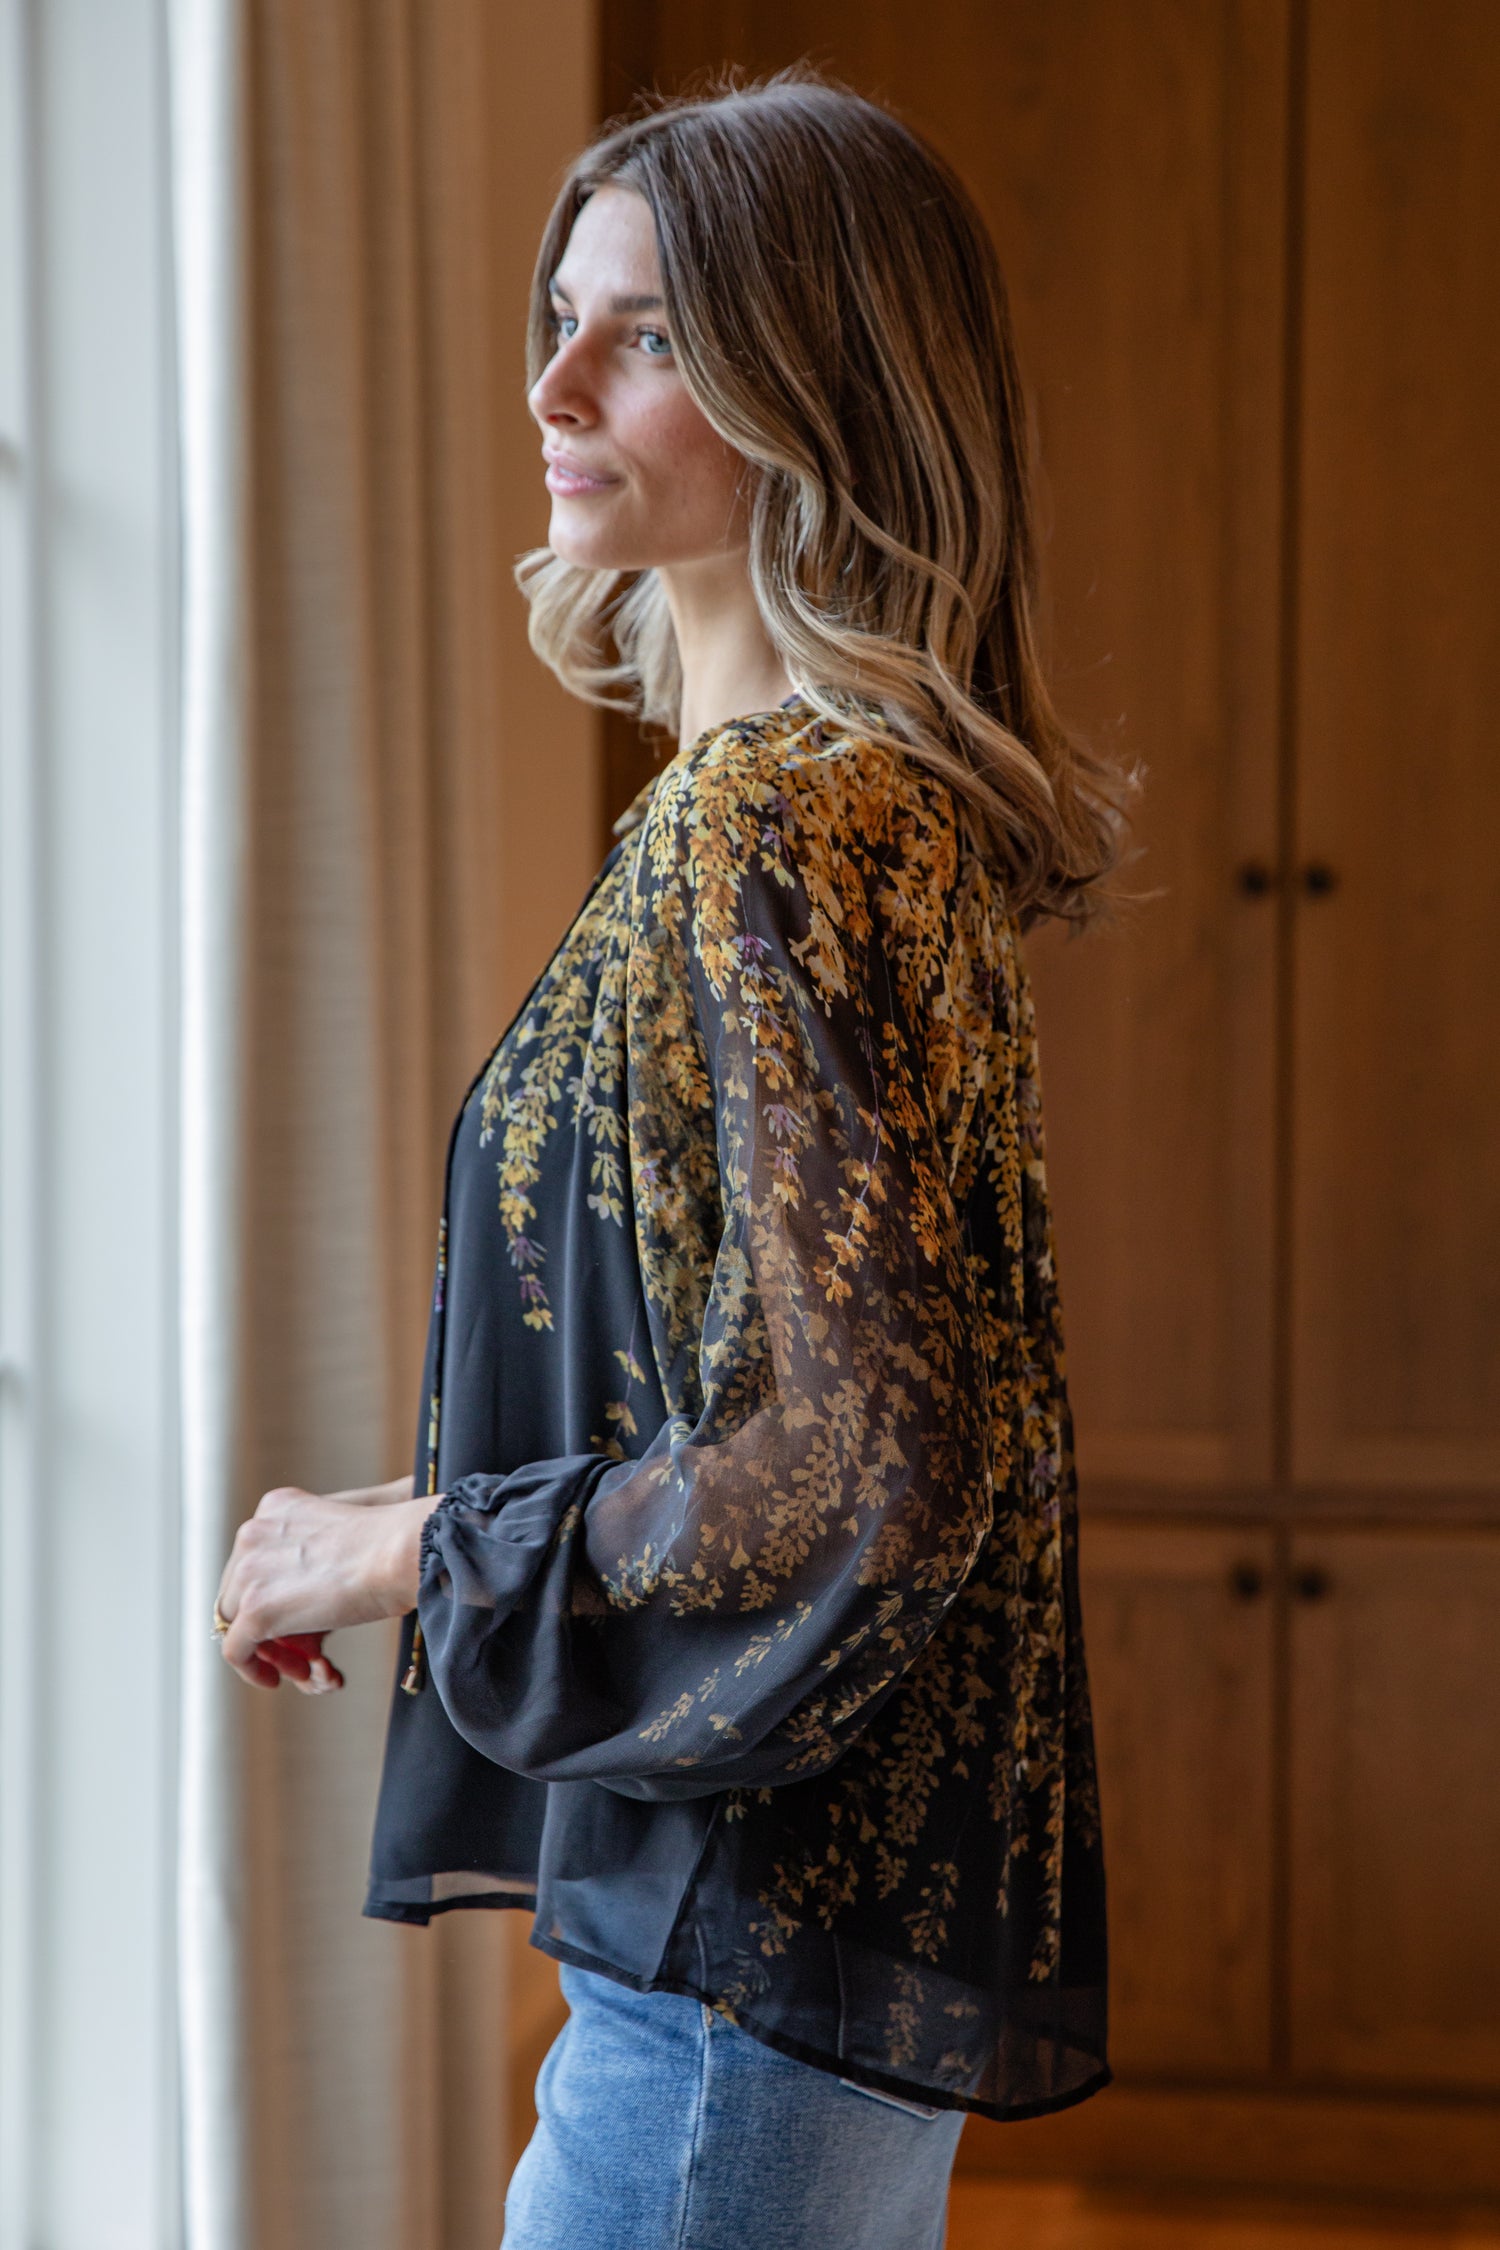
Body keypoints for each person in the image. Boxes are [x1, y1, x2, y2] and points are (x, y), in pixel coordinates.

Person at [212, 70, 1126, 2250]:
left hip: (734, 1975)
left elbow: (860, 1465)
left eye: (642, 333)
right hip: (777, 1975)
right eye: (562, 311)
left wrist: (411, 1551)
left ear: (819, 384)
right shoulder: (860, 808)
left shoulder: (773, 827)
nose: (549, 379)